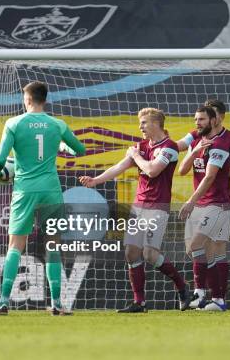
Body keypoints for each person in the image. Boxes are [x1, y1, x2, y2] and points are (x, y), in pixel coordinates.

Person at [79, 108, 190, 313]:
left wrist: (135, 156)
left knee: (149, 254)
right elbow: (118, 167)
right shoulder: (141, 147)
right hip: (138, 206)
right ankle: (139, 302)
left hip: (158, 207)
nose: (140, 127)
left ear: (156, 124)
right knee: (131, 252)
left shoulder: (170, 147)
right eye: (140, 123)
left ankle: (182, 287)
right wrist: (95, 180)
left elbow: (152, 170)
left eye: (144, 123)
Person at [0, 81, 86, 316]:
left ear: (29, 99)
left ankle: (3, 302)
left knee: (15, 245)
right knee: (52, 244)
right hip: (51, 190)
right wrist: (63, 147)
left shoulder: (14, 123)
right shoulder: (57, 125)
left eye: (24, 97)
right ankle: (56, 303)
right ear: (45, 99)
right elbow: (80, 151)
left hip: (25, 190)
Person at [176, 100, 230, 308]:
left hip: (220, 201)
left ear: (219, 117)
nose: (200, 122)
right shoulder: (196, 136)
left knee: (214, 248)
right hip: (201, 200)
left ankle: (214, 297)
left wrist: (220, 170)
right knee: (197, 250)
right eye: (197, 119)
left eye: (206, 117)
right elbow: (180, 162)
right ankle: (207, 295)